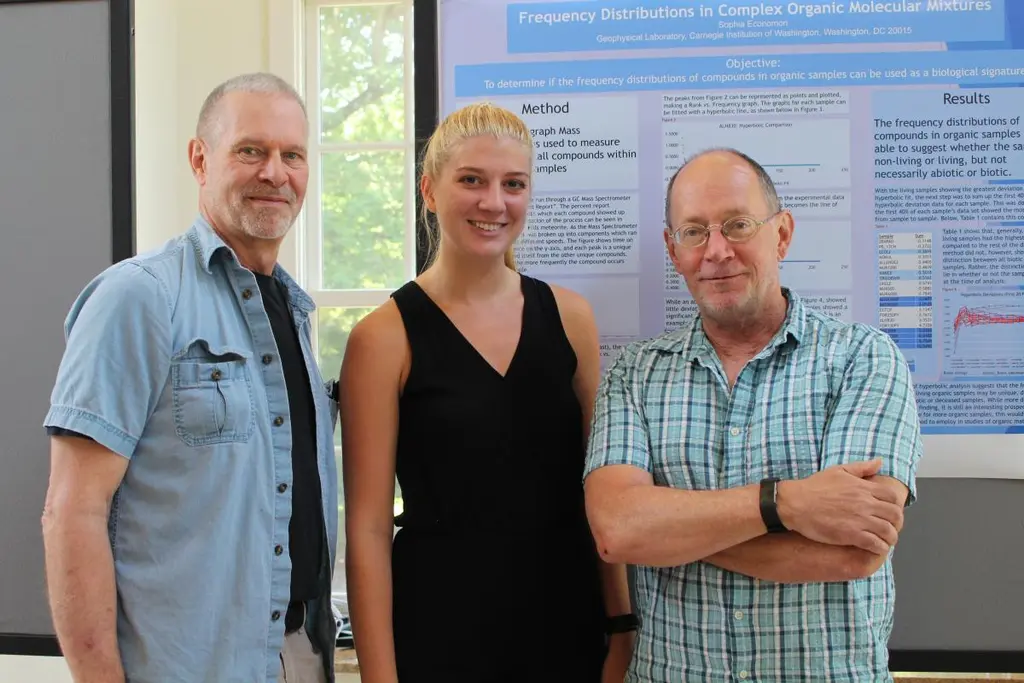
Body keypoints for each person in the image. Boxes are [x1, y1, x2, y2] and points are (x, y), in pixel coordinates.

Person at [583, 148, 924, 682]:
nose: (717, 250)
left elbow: (854, 550)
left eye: (738, 225)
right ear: (673, 250)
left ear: (782, 234)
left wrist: (674, 537)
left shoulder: (864, 358)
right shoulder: (636, 373)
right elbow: (618, 531)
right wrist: (786, 503)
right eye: (694, 232)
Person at [41, 73, 339, 683]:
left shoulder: (296, 313)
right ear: (200, 159)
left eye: (293, 155)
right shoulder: (139, 297)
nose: (274, 173)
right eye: (251, 150)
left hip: (300, 657)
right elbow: (72, 512)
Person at [339, 102, 636, 683]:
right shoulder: (382, 337)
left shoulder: (571, 318)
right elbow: (368, 530)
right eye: (471, 180)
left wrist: (622, 627)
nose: (493, 202)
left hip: (568, 631)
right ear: (429, 190)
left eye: (513, 184)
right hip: (439, 636)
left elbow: (606, 496)